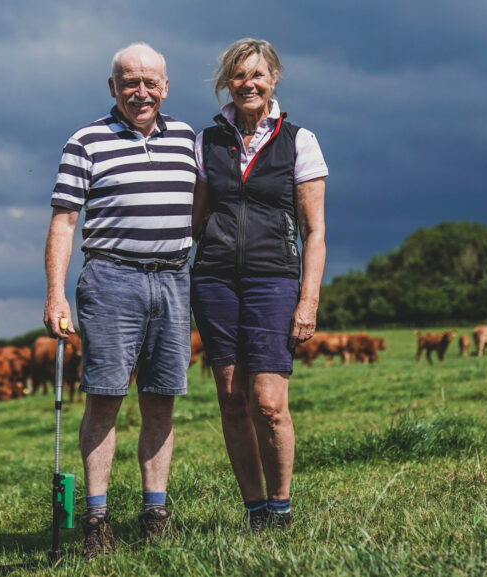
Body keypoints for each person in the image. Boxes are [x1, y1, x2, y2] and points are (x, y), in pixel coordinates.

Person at [43, 42, 196, 558]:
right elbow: (64, 222)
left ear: (166, 87)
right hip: (112, 280)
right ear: (113, 88)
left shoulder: (187, 138)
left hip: (175, 279)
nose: (141, 91)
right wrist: (55, 294)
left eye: (151, 81)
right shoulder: (85, 141)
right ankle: (97, 520)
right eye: (129, 81)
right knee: (105, 398)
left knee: (161, 398)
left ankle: (155, 512)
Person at [191, 38, 327, 531]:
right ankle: (255, 512)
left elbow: (314, 232)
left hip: (274, 280)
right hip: (214, 281)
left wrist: (307, 300)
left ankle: (282, 506)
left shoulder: (299, 141)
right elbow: (192, 221)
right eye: (239, 75)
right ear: (227, 82)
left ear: (274, 80)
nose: (249, 84)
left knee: (268, 402)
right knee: (231, 398)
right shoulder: (205, 143)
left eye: (258, 75)